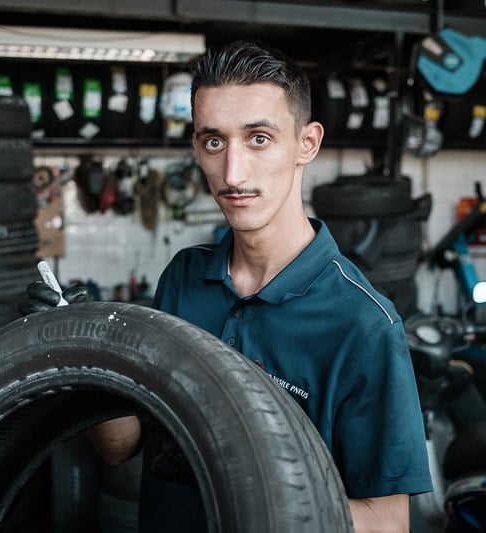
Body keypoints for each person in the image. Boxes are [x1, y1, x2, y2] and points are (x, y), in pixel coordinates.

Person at [24, 40, 431, 532]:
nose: (233, 175)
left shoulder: (364, 324)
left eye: (259, 138)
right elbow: (122, 447)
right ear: (197, 146)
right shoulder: (184, 279)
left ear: (307, 143)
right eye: (214, 141)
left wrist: (262, 491)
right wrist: (78, 345)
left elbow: (388, 525)